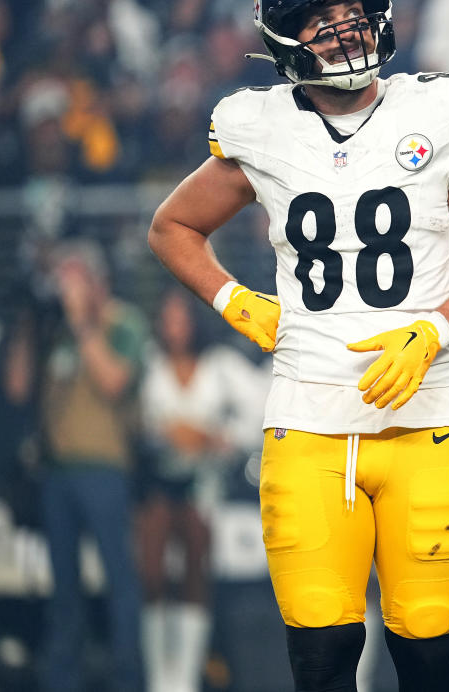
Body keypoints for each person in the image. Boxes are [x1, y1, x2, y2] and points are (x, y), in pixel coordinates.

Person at [147, 0, 449, 692]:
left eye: (355, 13)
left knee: (428, 663)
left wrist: (433, 330)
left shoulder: (440, 108)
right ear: (284, 34)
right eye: (324, 19)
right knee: (320, 664)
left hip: (431, 420)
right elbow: (171, 227)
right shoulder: (259, 126)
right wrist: (234, 299)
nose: (346, 31)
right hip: (309, 419)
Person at [4, 240, 148, 692]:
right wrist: (29, 323)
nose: (62, 288)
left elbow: (114, 382)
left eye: (70, 277)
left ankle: (129, 681)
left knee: (120, 583)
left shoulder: (123, 322)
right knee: (62, 590)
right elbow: (16, 387)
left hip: (105, 470)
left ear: (93, 281)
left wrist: (83, 322)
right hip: (56, 474)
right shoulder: (55, 330)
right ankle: (60, 681)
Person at [137, 288, 269, 692]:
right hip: (155, 480)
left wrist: (214, 438)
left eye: (182, 318)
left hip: (204, 482)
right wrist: (167, 435)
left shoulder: (220, 366)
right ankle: (160, 677)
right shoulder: (149, 363)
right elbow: (137, 422)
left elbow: (260, 411)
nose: (175, 326)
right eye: (168, 318)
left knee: (196, 567)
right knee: (154, 573)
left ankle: (186, 676)